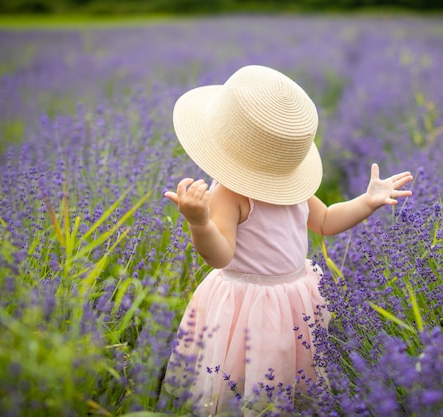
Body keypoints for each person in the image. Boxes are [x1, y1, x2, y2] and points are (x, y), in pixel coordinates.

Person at [162, 65, 413, 416]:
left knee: (294, 371)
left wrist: (365, 202)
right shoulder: (230, 194)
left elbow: (324, 220)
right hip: (247, 306)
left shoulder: (290, 190)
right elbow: (220, 256)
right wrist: (200, 223)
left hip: (295, 297)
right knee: (245, 374)